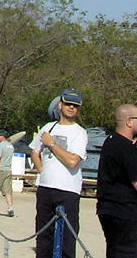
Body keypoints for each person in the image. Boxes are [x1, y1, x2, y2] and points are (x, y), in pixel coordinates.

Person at [96, 105, 137, 258]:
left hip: (108, 210)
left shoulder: (109, 142)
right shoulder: (126, 148)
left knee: (114, 252)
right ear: (129, 122)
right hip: (125, 212)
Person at [30, 90, 88, 258]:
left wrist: (52, 144)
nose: (71, 108)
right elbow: (34, 150)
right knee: (44, 237)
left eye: (75, 106)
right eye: (68, 104)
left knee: (67, 240)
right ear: (60, 105)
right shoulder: (48, 127)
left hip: (67, 190)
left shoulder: (80, 132)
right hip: (46, 188)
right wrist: (42, 171)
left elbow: (72, 161)